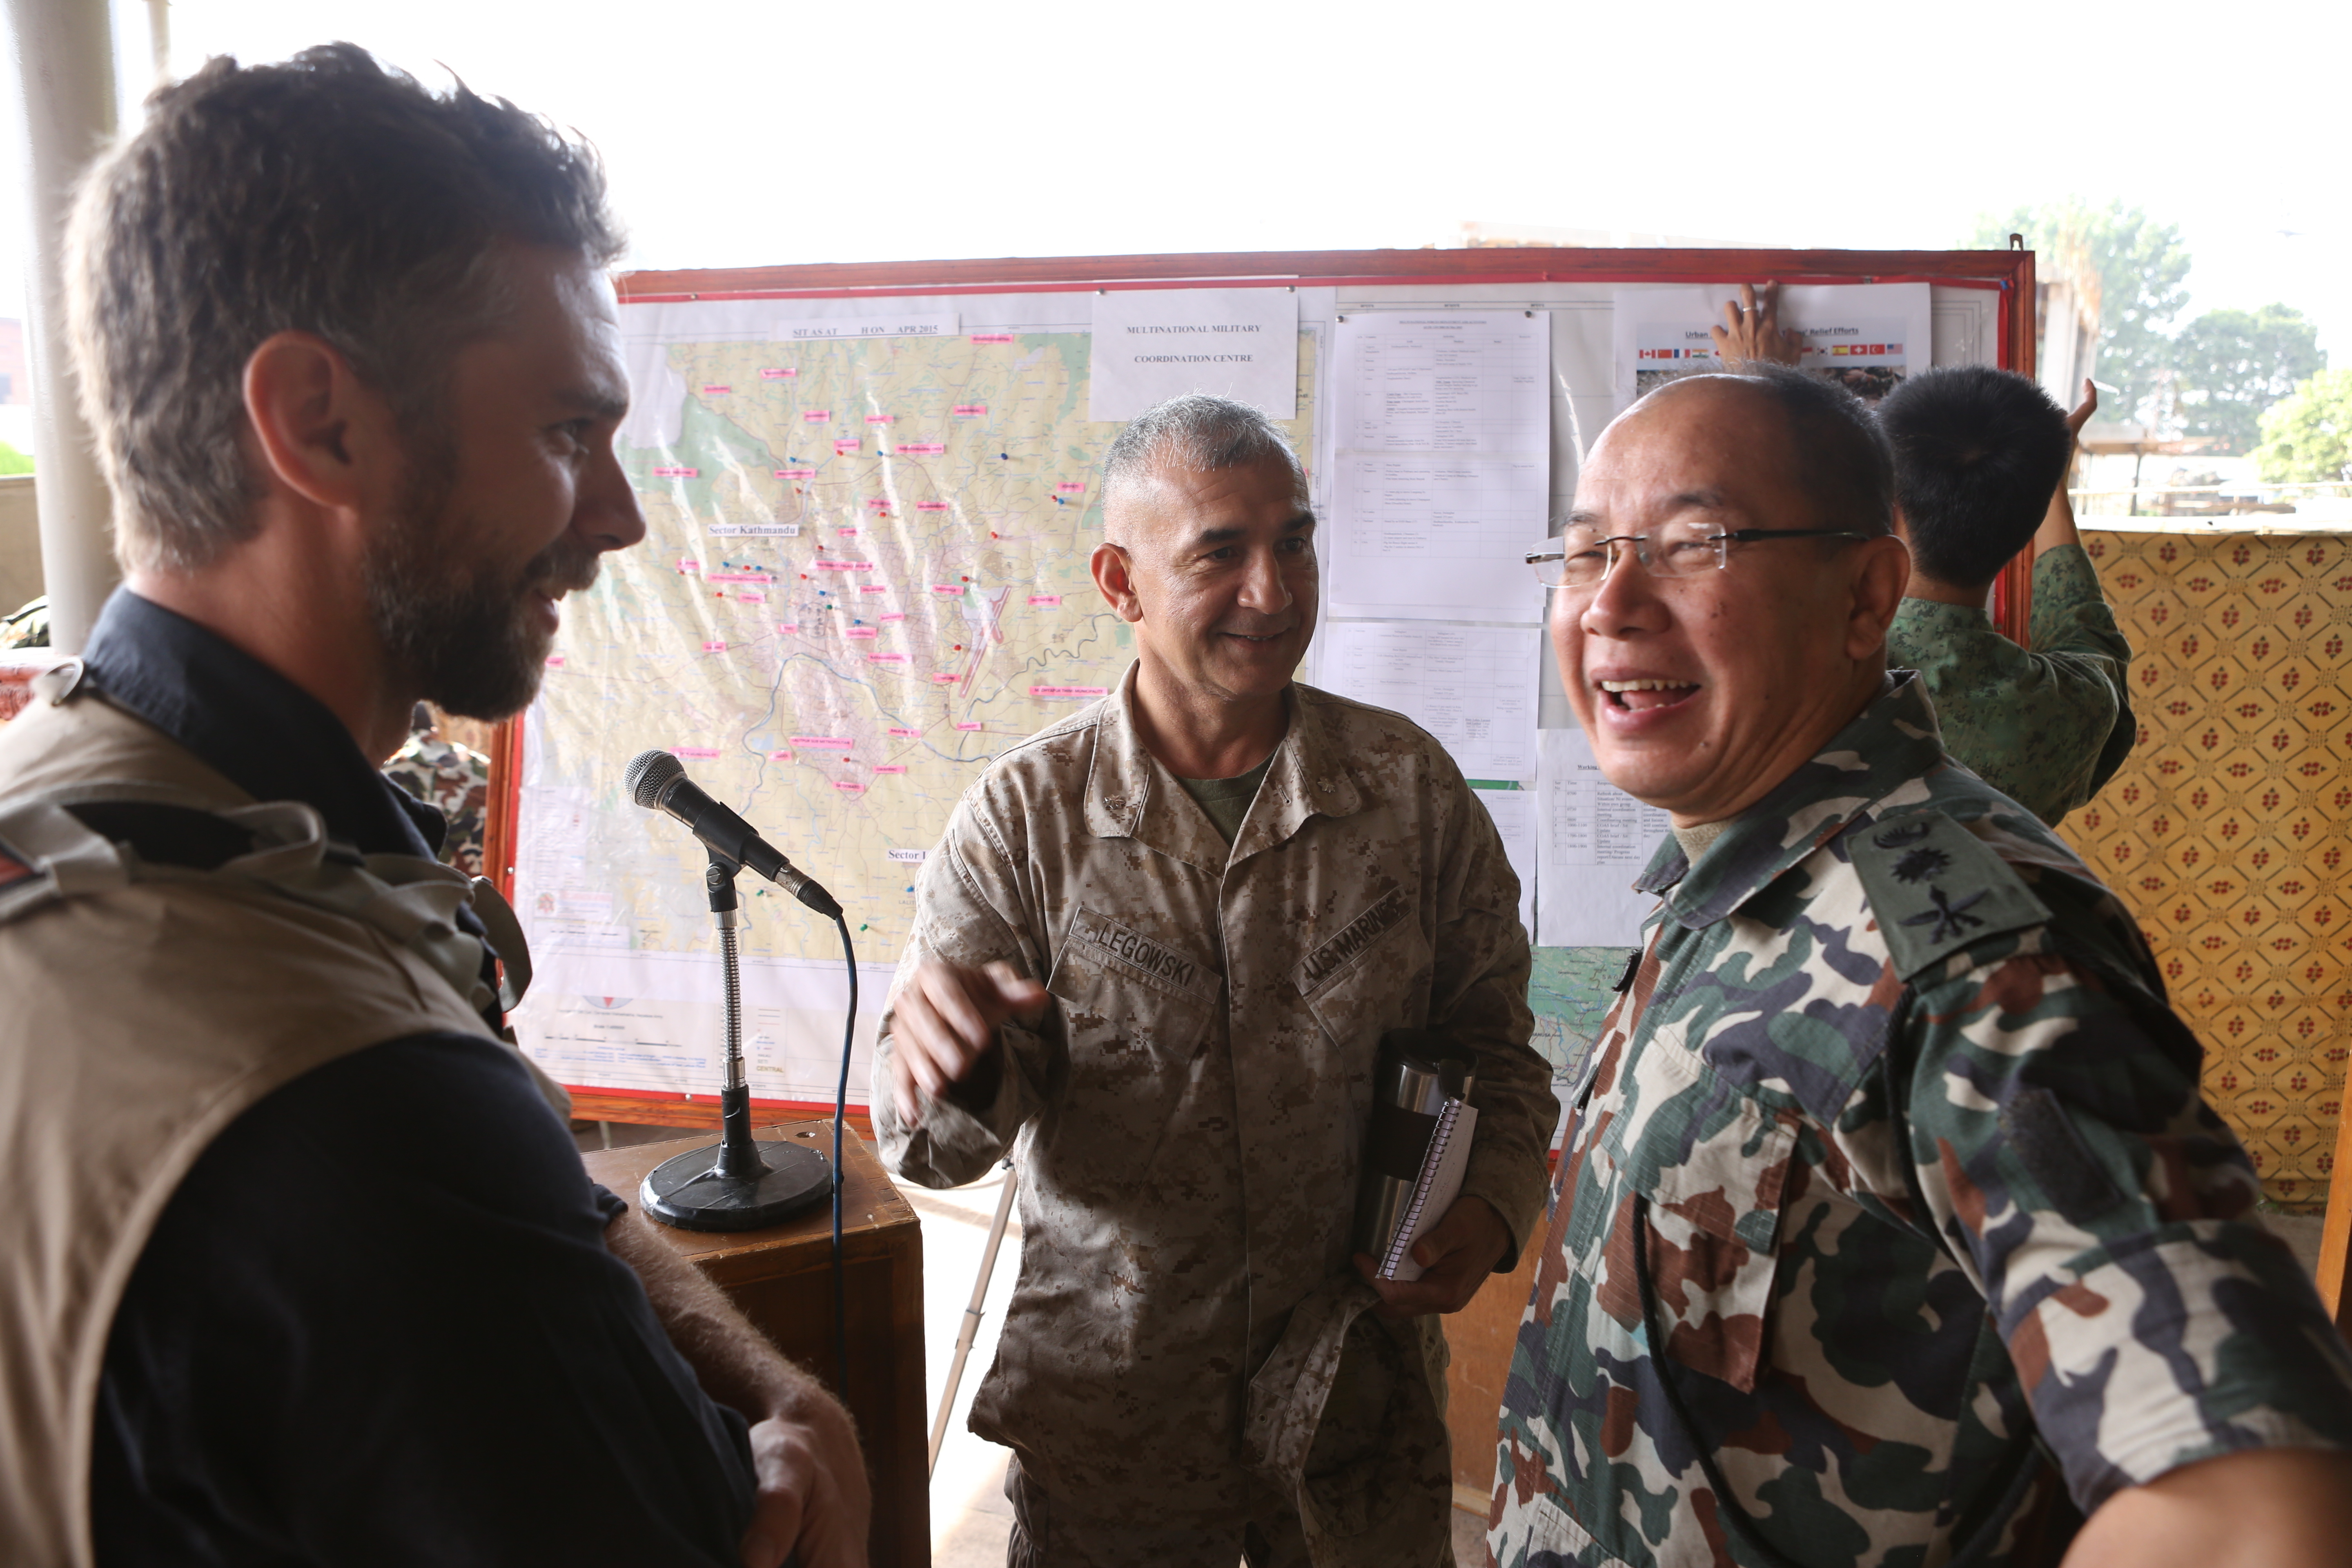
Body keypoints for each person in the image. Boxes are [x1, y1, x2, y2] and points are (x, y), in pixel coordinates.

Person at [0, 47, 865, 1568]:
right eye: (560, 435)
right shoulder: (357, 1115)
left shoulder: (101, 807)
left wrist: (762, 1374)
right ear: (320, 424)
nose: (618, 514)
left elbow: (518, 1142)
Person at [1492, 366, 2352, 1566]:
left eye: (1693, 544)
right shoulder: (1726, 874)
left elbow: (2253, 1510)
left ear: (1867, 595)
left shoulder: (1975, 953)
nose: (1612, 604)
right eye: (1586, 554)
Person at [874, 393, 1558, 1567]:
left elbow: (1495, 1050)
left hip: (1356, 1418)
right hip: (1117, 1431)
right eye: (1220, 555)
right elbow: (938, 1151)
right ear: (1119, 582)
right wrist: (943, 1068)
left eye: (1293, 541)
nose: (1273, 592)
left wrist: (1493, 1207)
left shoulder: (1407, 790)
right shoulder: (1025, 821)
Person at [1878, 369, 2133, 824]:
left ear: (1886, 509)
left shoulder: (1809, 666)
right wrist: (2050, 482)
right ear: (2027, 528)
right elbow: (2089, 636)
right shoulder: (2074, 710)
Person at [384, 702, 494, 877]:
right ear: (434, 730)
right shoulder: (484, 766)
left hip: (421, 890)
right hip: (481, 888)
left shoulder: (387, 768)